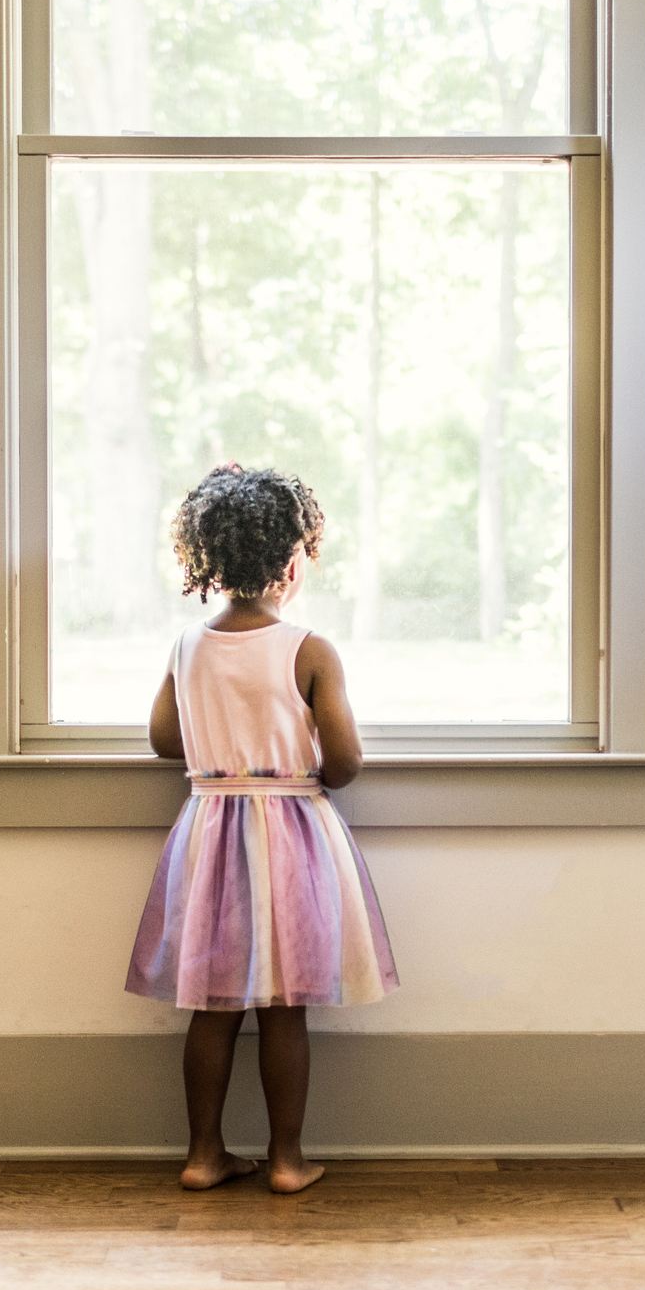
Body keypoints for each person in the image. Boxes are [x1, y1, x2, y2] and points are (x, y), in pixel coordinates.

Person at [125, 463, 400, 1195]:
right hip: (289, 841)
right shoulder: (309, 650)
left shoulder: (187, 647)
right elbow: (343, 763)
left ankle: (202, 1153)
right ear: (291, 563)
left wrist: (225, 747)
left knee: (211, 1009)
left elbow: (161, 740)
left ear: (207, 563)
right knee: (283, 1010)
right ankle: (286, 1159)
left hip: (210, 832)